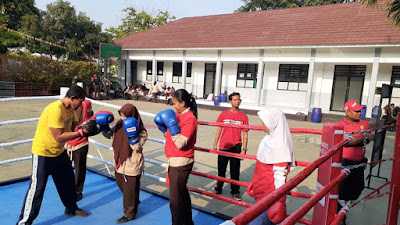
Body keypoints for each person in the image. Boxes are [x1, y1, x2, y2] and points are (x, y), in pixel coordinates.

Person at [17, 85, 100, 225]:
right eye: (80, 102)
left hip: (59, 153)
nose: (81, 105)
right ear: (72, 98)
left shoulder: (71, 110)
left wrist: (89, 127)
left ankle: (71, 208)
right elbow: (59, 136)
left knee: (67, 182)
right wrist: (81, 133)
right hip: (43, 152)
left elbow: (75, 127)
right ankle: (24, 222)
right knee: (37, 188)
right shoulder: (55, 109)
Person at [154, 89, 198, 225]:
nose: (173, 106)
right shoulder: (176, 115)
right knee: (182, 196)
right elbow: (168, 136)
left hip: (181, 162)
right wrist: (163, 127)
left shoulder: (189, 118)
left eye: (175, 103)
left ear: (183, 103)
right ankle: (188, 223)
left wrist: (171, 126)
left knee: (175, 201)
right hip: (174, 160)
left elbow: (180, 143)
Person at [247, 107, 295, 225]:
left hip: (270, 198)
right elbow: (261, 165)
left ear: (273, 122)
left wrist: (280, 201)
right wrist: (254, 182)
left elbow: (280, 177)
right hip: (261, 194)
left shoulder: (280, 146)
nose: (261, 125)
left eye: (264, 122)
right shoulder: (267, 139)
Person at [102, 104, 147, 223]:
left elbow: (137, 147)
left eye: (124, 116)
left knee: (129, 189)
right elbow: (110, 135)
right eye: (121, 115)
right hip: (119, 162)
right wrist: (103, 126)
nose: (122, 118)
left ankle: (129, 214)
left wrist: (132, 136)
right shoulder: (119, 125)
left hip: (132, 163)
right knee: (121, 183)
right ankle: (134, 201)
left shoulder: (141, 130)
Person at [336, 100, 374, 225]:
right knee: (342, 192)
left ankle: (344, 208)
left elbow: (371, 137)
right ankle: (340, 216)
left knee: (357, 190)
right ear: (347, 112)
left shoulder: (364, 123)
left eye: (360, 110)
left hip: (359, 164)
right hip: (345, 163)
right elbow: (345, 142)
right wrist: (363, 137)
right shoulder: (340, 126)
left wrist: (357, 138)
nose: (359, 113)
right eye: (356, 111)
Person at [212, 92, 248, 200]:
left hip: (236, 146)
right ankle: (218, 188)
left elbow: (245, 133)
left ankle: (235, 191)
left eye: (239, 100)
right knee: (221, 170)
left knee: (235, 170)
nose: (238, 102)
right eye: (235, 100)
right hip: (224, 145)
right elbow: (219, 129)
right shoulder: (224, 114)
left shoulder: (243, 116)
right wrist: (215, 143)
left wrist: (244, 149)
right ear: (230, 102)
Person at [65, 99, 93, 202]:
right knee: (65, 167)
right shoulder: (66, 108)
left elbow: (89, 124)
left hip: (81, 142)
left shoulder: (86, 106)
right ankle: (67, 188)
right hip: (68, 141)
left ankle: (77, 191)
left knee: (80, 168)